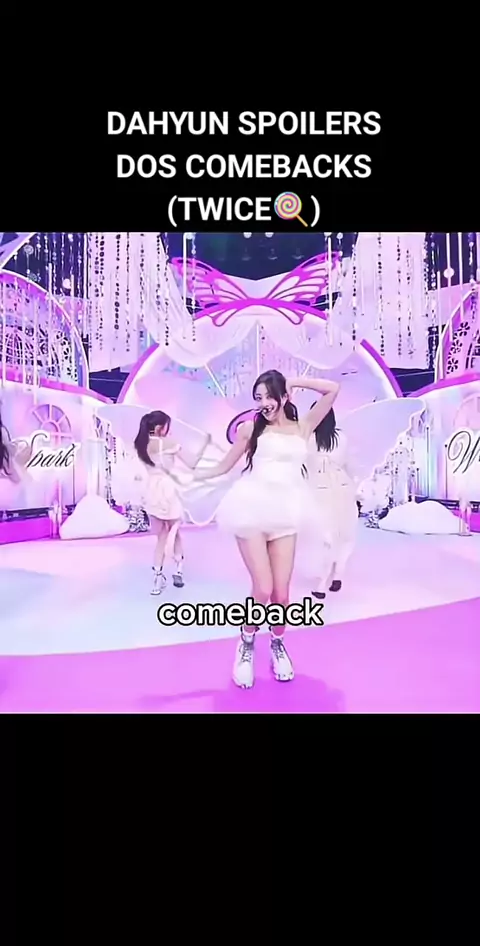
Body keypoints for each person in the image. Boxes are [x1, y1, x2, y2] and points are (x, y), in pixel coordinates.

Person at [193, 370, 340, 689]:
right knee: (262, 589)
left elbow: (332, 389)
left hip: (287, 512)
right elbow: (224, 466)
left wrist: (296, 382)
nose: (263, 403)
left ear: (284, 397)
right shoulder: (250, 429)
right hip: (251, 510)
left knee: (281, 596)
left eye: (268, 396)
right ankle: (246, 642)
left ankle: (277, 643)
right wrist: (191, 475)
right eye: (257, 398)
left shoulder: (302, 427)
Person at [134, 410, 210, 595]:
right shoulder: (169, 443)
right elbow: (192, 463)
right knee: (174, 531)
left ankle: (158, 577)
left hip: (151, 490)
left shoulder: (141, 443)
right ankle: (177, 569)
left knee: (162, 535)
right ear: (160, 427)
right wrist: (203, 445)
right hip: (169, 489)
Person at [307, 406, 358, 599]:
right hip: (343, 486)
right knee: (344, 532)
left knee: (325, 536)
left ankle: (321, 584)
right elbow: (349, 464)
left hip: (320, 489)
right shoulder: (341, 438)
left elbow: (306, 467)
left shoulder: (309, 439)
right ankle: (338, 575)